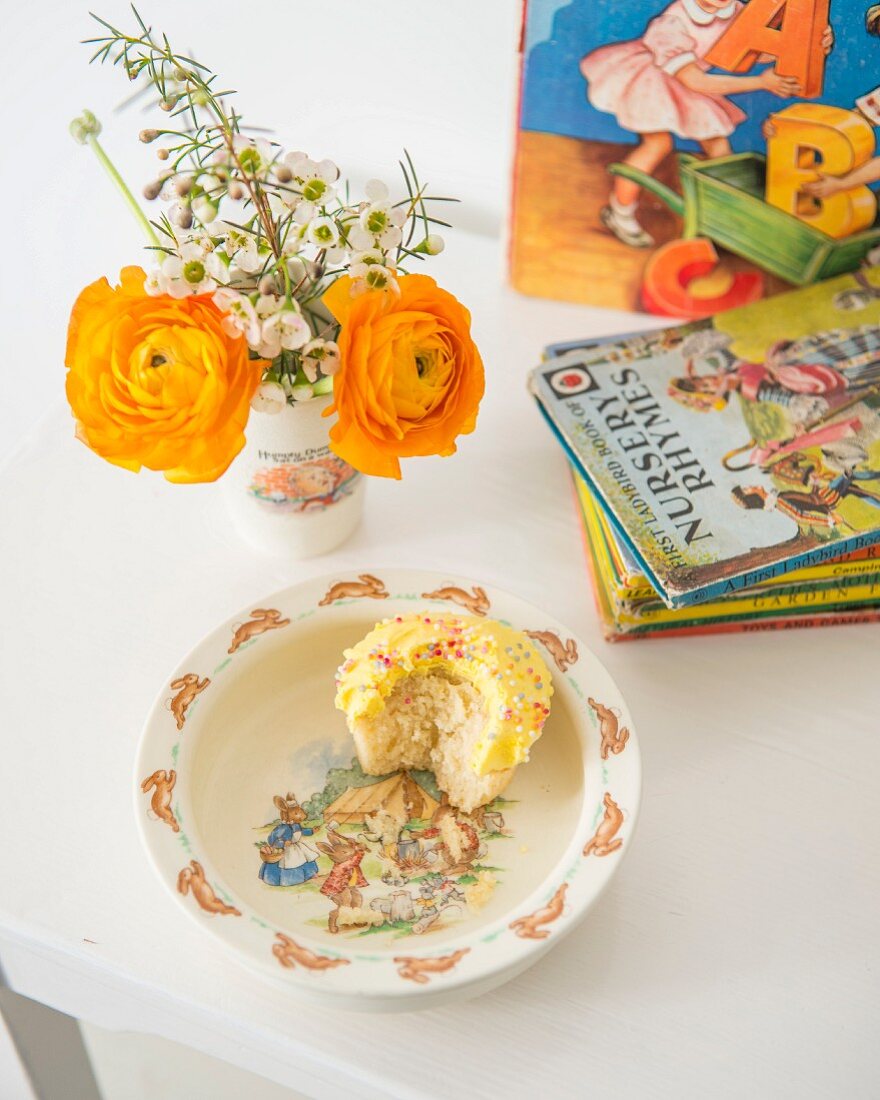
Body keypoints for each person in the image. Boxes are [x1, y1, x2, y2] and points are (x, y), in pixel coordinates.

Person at [580, 0, 832, 247]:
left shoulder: (735, 11)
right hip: (650, 81)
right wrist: (761, 83)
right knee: (657, 144)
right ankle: (620, 212)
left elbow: (757, 51)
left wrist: (810, 42)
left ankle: (721, 218)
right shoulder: (672, 23)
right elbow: (696, 81)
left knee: (718, 147)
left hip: (687, 83)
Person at [258, 794, 319, 887]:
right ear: (287, 815)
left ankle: (309, 874)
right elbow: (272, 839)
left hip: (296, 847)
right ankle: (288, 880)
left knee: (304, 857)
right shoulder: (283, 828)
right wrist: (282, 843)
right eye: (296, 813)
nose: (302, 815)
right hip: (285, 850)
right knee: (289, 862)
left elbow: (301, 831)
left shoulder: (296, 825)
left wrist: (311, 831)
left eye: (300, 812)